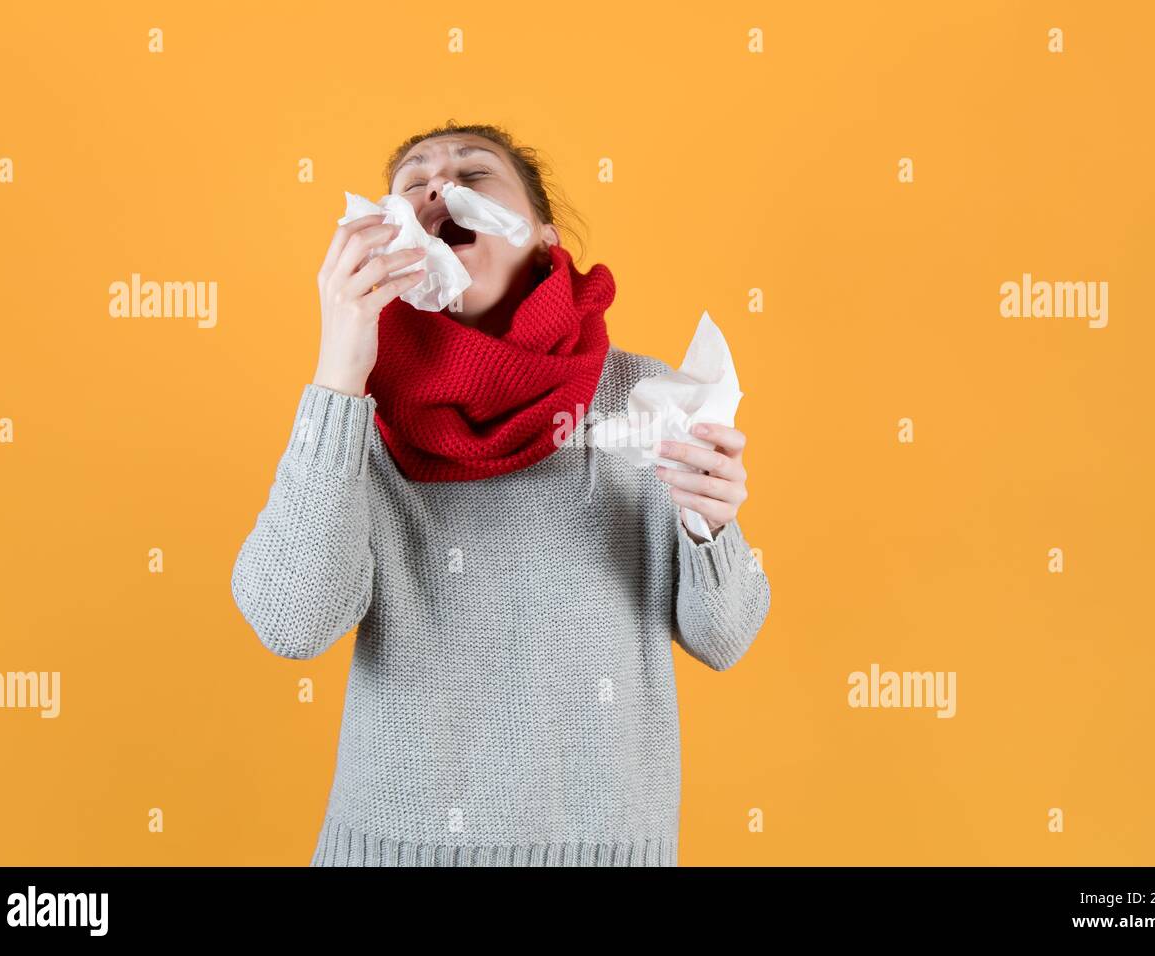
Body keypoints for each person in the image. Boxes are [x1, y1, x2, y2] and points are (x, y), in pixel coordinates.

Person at [231, 120, 771, 866]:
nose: (437, 188)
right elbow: (291, 622)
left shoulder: (646, 402)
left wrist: (713, 529)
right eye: (412, 182)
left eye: (473, 174)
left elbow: (726, 636)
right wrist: (339, 365)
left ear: (544, 235)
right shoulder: (358, 410)